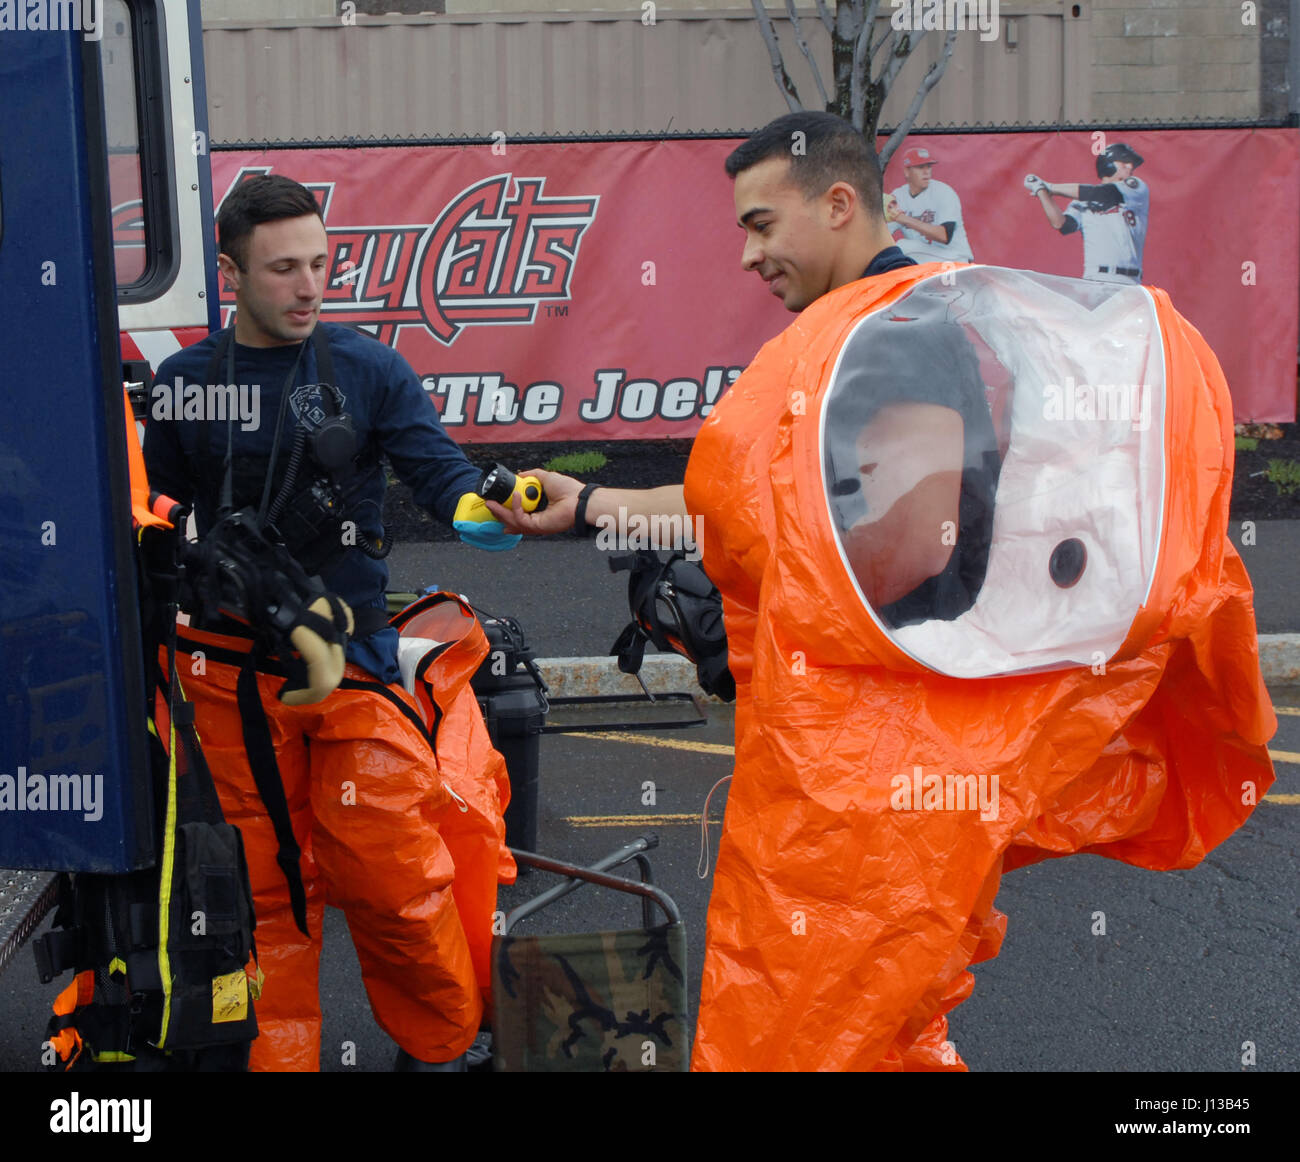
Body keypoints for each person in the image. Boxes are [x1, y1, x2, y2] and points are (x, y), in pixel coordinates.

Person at [492, 112, 1275, 1071]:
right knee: (876, 1032)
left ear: (837, 202)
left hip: (868, 783)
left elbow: (904, 544)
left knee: (812, 1039)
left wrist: (739, 578)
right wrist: (591, 509)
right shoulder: (858, 337)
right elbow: (763, 503)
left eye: (762, 224)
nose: (747, 254)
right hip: (861, 762)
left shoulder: (896, 340)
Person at [144, 174, 515, 1072]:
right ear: (231, 272)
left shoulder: (370, 369)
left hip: (353, 668)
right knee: (263, 900)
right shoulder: (182, 385)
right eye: (283, 269)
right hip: (227, 680)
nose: (310, 286)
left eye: (319, 263)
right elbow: (153, 519)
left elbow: (444, 481)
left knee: (395, 877)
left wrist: (494, 511)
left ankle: (443, 1046)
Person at [1025, 142, 1149, 284]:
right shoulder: (1083, 201)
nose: (1130, 167)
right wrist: (1041, 190)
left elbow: (1101, 193)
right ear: (1109, 165)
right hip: (1096, 278)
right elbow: (1062, 224)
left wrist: (1051, 187)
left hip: (1130, 280)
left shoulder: (1136, 187)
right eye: (1125, 162)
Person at [886, 143, 973, 264]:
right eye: (920, 167)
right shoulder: (898, 196)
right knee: (891, 251)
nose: (926, 172)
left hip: (954, 257)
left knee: (903, 246)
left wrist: (904, 219)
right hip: (926, 257)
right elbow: (884, 233)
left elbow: (944, 236)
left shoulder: (943, 192)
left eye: (929, 166)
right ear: (906, 171)